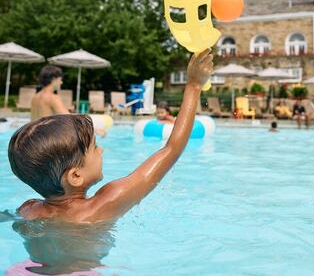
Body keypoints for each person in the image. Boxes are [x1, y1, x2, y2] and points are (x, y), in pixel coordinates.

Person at [8, 49, 213, 223]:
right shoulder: (101, 206)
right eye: (94, 148)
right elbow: (171, 149)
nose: (101, 150)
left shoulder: (29, 209)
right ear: (76, 176)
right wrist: (194, 86)